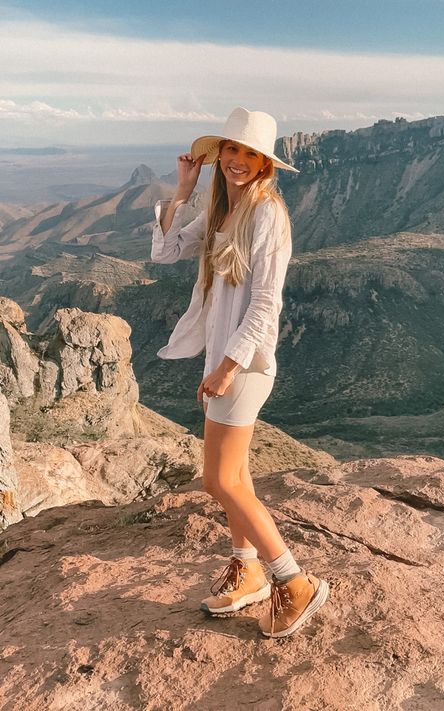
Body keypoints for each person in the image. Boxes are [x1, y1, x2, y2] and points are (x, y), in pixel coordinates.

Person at [151, 107, 329, 638]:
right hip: (222, 360)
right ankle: (247, 568)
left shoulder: (268, 215)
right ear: (220, 154)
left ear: (265, 165)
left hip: (245, 363)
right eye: (232, 150)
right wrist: (184, 188)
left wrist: (228, 366)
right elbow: (165, 251)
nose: (238, 161)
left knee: (219, 479)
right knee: (238, 476)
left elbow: (266, 303)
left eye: (251, 154)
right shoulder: (219, 209)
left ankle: (293, 580)